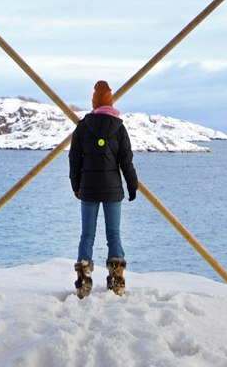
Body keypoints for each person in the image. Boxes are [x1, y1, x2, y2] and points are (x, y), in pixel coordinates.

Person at [68, 79, 139, 298]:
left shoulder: (82, 126)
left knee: (86, 235)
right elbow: (126, 160)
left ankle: (83, 284)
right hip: (112, 190)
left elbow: (74, 160)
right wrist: (132, 185)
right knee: (114, 235)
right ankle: (117, 282)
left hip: (88, 190)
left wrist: (76, 186)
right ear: (110, 101)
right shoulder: (119, 128)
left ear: (94, 102)